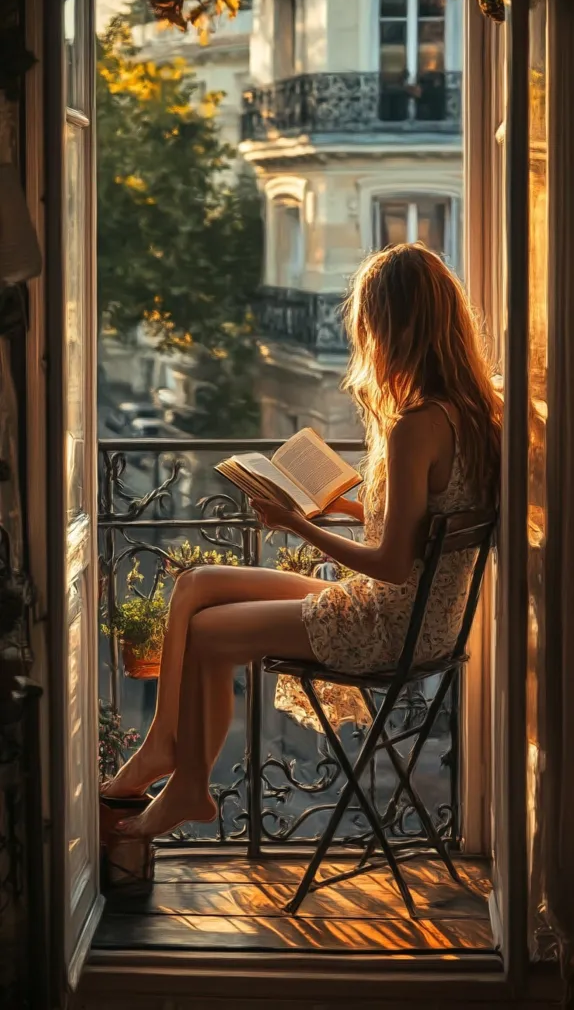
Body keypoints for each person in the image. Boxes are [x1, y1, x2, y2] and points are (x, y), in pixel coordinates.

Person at [106, 243, 502, 838]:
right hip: (420, 618)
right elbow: (419, 526)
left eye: (370, 326)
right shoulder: (470, 413)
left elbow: (393, 563)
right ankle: (163, 744)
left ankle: (187, 785)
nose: (367, 341)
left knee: (206, 633)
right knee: (196, 584)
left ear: (395, 328)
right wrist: (338, 504)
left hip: (388, 621)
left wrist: (296, 525)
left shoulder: (414, 426)